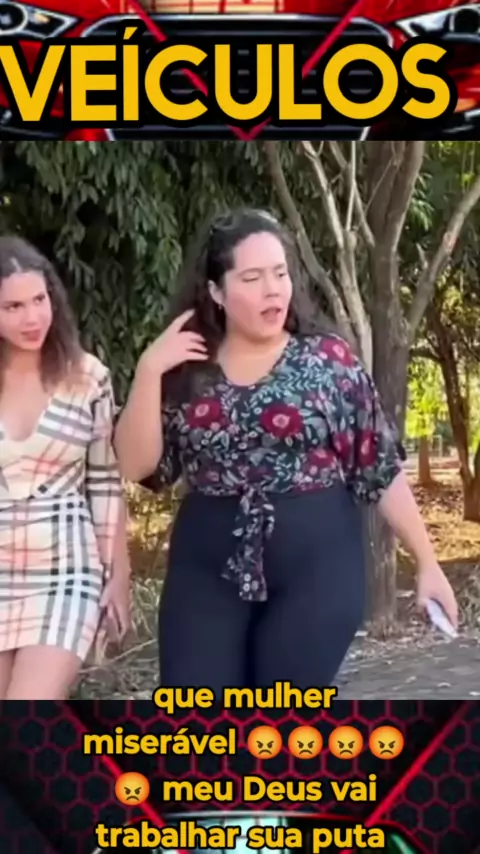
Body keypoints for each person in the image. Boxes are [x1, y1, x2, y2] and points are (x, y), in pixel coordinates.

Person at [114, 208, 458, 692]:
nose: (273, 289)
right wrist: (149, 370)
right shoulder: (185, 366)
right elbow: (135, 466)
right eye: (252, 278)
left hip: (317, 567)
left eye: (280, 274)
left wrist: (427, 561)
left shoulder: (326, 360)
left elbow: (378, 465)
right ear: (216, 292)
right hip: (207, 566)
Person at [0, 236, 130, 699]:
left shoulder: (87, 377)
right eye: (13, 307)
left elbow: (105, 481)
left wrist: (118, 574)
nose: (32, 317)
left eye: (39, 300)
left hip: (65, 567)